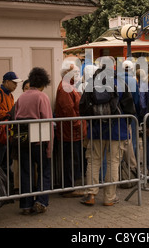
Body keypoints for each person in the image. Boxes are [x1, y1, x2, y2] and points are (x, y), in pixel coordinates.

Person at [79, 56, 136, 206]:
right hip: (117, 130)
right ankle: (109, 197)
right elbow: (130, 108)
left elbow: (82, 106)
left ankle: (90, 194)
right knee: (113, 162)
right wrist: (127, 124)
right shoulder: (120, 83)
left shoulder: (92, 83)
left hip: (96, 130)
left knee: (93, 161)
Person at [14, 67, 53, 215]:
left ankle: (26, 204)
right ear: (43, 82)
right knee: (44, 171)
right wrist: (49, 148)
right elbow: (48, 121)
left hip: (23, 140)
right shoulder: (42, 97)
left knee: (26, 172)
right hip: (39, 140)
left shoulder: (21, 97)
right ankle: (41, 201)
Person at [55, 62, 87, 197]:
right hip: (70, 131)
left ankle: (70, 185)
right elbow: (69, 110)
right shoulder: (65, 87)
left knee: (72, 159)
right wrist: (78, 124)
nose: (77, 75)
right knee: (70, 160)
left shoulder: (69, 86)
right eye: (74, 72)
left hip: (73, 130)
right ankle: (68, 188)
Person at [0, 71, 23, 186]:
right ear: (7, 82)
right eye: (14, 83)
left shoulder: (9, 95)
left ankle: (3, 186)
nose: (16, 85)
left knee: (5, 162)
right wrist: (8, 113)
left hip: (6, 133)